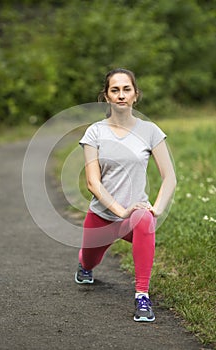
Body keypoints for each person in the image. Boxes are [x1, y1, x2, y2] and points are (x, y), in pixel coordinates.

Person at [74, 68, 177, 322]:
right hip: (102, 216)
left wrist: (157, 210)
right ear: (106, 97)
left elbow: (170, 177)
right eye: (115, 90)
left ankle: (142, 295)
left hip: (135, 216)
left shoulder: (150, 131)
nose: (121, 95)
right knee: (89, 262)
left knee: (144, 219)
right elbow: (92, 182)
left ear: (135, 95)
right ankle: (84, 264)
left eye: (126, 89)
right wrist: (120, 212)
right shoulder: (95, 132)